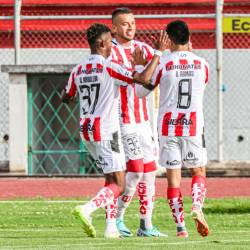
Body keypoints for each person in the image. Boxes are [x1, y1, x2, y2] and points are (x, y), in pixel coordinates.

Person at [61, 23, 168, 238]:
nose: (112, 46)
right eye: (110, 42)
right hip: (107, 131)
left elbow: (65, 96)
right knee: (118, 183)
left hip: (86, 130)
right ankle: (87, 209)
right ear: (101, 43)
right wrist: (157, 53)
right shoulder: (108, 66)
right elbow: (143, 80)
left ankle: (111, 227)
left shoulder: (79, 68)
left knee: (111, 179)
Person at [136, 20, 210, 238]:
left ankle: (181, 228)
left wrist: (140, 66)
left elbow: (141, 91)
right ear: (189, 37)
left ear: (167, 39)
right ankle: (197, 206)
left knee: (173, 178)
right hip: (193, 125)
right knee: (198, 171)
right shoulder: (202, 64)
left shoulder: (162, 63)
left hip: (168, 127)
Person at [107, 7, 166, 237]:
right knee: (136, 169)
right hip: (123, 120)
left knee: (150, 171)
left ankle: (145, 224)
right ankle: (117, 217)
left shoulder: (143, 48)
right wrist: (145, 68)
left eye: (132, 22)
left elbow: (153, 77)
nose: (130, 27)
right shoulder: (110, 51)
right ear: (113, 28)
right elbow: (139, 78)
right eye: (124, 23)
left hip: (143, 120)